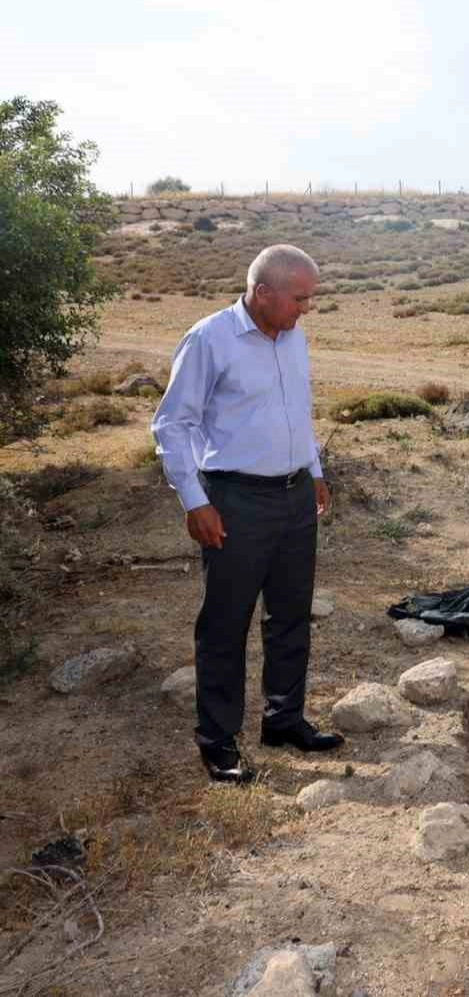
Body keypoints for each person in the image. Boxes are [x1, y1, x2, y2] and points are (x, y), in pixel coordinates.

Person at [151, 244, 342, 784]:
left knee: (290, 615)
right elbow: (173, 426)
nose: (306, 309)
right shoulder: (209, 339)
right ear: (263, 292)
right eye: (299, 298)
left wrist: (314, 467)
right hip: (235, 500)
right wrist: (196, 501)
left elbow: (296, 409)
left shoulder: (293, 335)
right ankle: (218, 741)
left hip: (295, 495)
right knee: (225, 624)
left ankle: (283, 720)